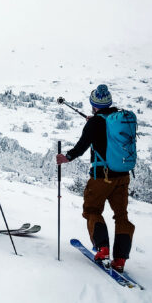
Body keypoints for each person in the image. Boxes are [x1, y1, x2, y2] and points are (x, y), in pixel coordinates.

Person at [56, 84, 134, 272]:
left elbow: (82, 146)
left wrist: (66, 157)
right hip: (123, 176)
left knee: (92, 209)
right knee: (121, 215)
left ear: (93, 104)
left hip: (102, 176)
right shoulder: (119, 119)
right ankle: (121, 259)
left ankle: (103, 249)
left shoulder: (95, 123)